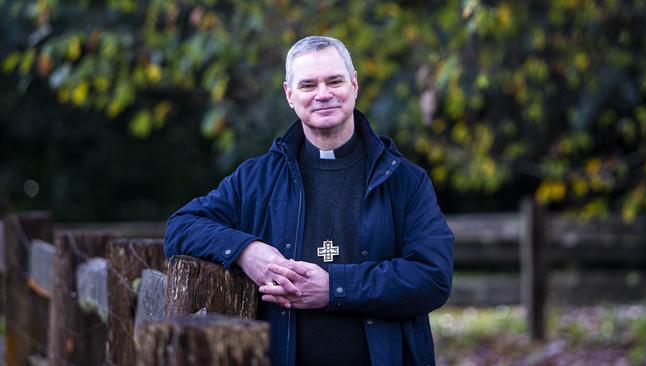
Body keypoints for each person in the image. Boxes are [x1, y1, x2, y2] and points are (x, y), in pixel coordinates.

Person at [164, 35, 454, 366]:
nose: (323, 94)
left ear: (354, 84)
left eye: (334, 81)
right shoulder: (257, 179)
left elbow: (432, 277)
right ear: (290, 94)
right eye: (308, 85)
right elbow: (180, 227)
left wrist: (334, 288)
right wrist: (246, 251)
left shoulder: (405, 180)